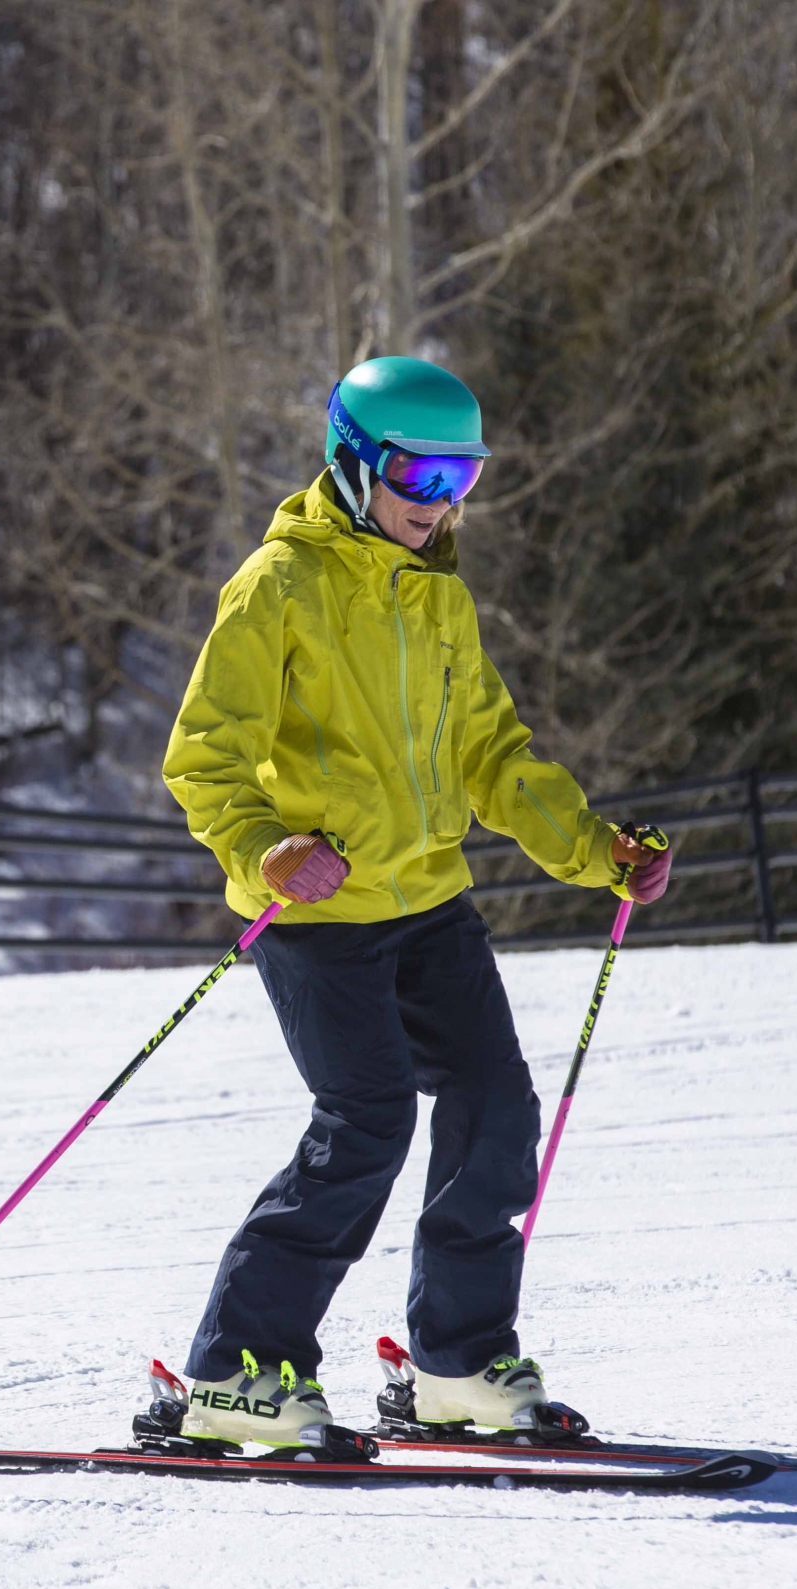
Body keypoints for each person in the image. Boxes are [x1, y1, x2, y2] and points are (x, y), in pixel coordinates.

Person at [160, 355, 672, 1450]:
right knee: (366, 1123)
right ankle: (237, 1375)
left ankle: (458, 1363)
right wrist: (265, 851)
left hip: (431, 901)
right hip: (318, 916)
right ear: (352, 461)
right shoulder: (277, 587)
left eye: (461, 477)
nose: (436, 502)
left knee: (495, 1108)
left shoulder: (438, 592)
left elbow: (491, 752)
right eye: (416, 473)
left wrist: (596, 851)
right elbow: (203, 758)